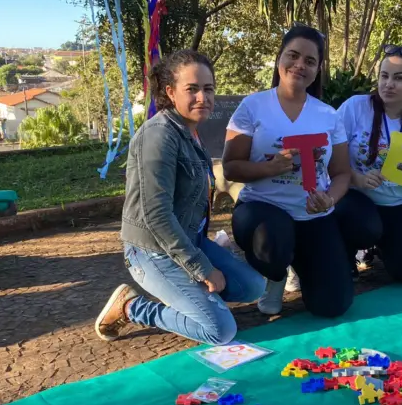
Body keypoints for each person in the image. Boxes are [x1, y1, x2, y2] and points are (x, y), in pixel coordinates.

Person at [95, 50, 265, 344]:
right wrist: (204, 268)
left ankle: (195, 300)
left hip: (188, 241)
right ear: (170, 92)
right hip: (150, 251)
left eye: (208, 89)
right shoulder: (159, 135)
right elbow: (156, 216)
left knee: (253, 287)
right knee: (220, 330)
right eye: (192, 89)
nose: (203, 97)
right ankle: (131, 306)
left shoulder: (190, 131)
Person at [223, 25, 354, 317]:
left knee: (333, 305)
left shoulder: (328, 115)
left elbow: (342, 173)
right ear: (279, 58)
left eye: (309, 61)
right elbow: (231, 167)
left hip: (313, 215)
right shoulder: (253, 106)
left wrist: (330, 199)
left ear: (318, 68)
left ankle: (300, 265)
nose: (299, 65)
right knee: (273, 242)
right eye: (292, 56)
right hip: (262, 209)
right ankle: (276, 275)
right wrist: (268, 167)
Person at [335, 46, 402, 286]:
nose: (389, 84)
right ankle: (346, 253)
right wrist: (357, 179)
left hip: (397, 204)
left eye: (398, 78)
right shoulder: (355, 107)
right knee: (365, 226)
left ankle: (380, 247)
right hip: (355, 199)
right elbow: (329, 159)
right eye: (384, 76)